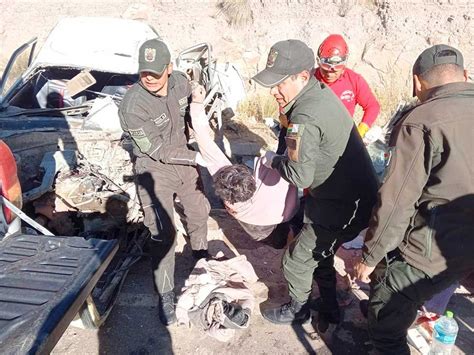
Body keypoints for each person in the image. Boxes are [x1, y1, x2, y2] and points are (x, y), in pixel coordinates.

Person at [354, 44, 474, 354]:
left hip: (432, 251)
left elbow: (396, 202)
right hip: (466, 247)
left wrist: (370, 256)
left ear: (417, 82)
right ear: (465, 75)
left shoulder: (421, 121)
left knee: (385, 307)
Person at [252, 39, 379, 327]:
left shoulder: (304, 115)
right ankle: (330, 305)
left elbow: (300, 175)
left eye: (280, 83)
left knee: (295, 261)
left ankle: (298, 310)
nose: (274, 90)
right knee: (320, 252)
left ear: (302, 77)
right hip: (351, 197)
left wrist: (273, 160)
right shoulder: (317, 94)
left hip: (341, 204)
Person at [119, 38, 211, 326]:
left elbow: (193, 109)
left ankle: (200, 254)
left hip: (184, 162)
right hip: (154, 168)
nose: (149, 78)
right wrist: (197, 158)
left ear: (169, 68)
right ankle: (166, 294)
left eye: (156, 72)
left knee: (199, 210)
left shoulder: (180, 82)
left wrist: (198, 96)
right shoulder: (132, 105)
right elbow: (156, 149)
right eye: (144, 72)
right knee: (163, 233)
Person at [188, 100, 298, 248]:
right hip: (279, 218)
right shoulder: (271, 179)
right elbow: (292, 152)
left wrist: (196, 103)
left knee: (270, 240)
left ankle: (275, 244)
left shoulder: (223, 177)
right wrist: (295, 123)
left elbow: (203, 139)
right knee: (282, 239)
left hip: (250, 225)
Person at [315, 34, 380, 138]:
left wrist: (361, 129)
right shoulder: (308, 80)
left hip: (343, 137)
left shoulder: (354, 80)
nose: (330, 74)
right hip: (314, 136)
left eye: (335, 70)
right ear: (319, 62)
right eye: (325, 69)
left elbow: (372, 106)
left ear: (344, 65)